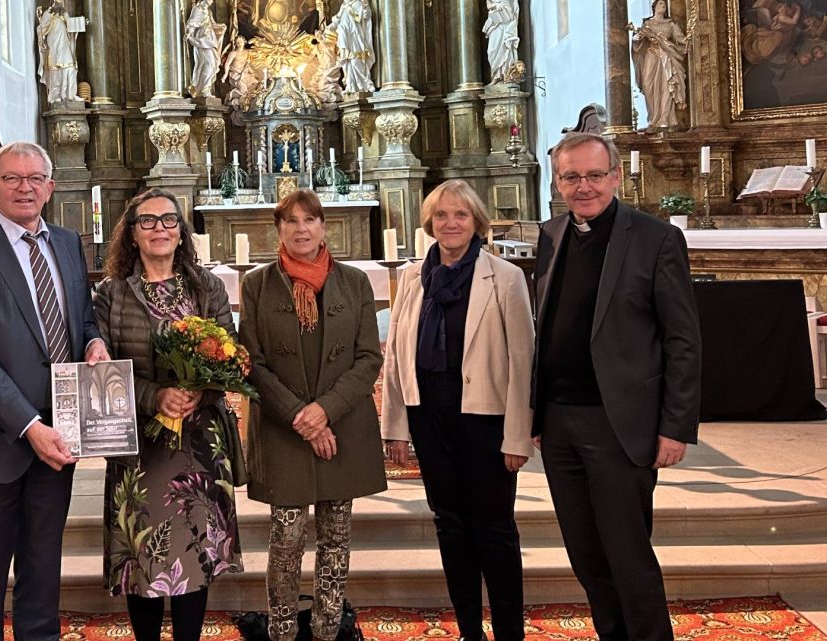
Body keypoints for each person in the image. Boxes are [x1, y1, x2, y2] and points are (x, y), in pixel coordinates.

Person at [534, 132, 701, 641]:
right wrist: (536, 416)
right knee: (586, 556)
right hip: (559, 423)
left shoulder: (654, 238)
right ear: (557, 182)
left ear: (615, 177)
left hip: (618, 423)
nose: (583, 187)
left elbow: (683, 340)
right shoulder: (552, 234)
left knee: (628, 557)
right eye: (571, 177)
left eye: (593, 175)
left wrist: (675, 428)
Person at [0, 141, 110, 641]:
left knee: (42, 573)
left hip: (59, 434)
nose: (25, 187)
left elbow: (81, 317)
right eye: (12, 178)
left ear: (51, 188)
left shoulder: (66, 243)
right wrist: (29, 426)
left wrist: (95, 340)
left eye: (35, 178)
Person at [380, 180, 534, 641]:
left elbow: (523, 362)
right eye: (442, 216)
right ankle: (469, 630)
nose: (450, 223)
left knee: (495, 530)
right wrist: (396, 427)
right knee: (450, 525)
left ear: (476, 223)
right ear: (430, 223)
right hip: (429, 417)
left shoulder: (504, 277)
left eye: (460, 215)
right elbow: (396, 357)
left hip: (485, 421)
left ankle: (509, 632)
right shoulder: (412, 277)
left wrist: (517, 436)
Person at [93, 188, 244, 641]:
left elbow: (232, 356)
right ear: (132, 234)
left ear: (181, 231)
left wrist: (202, 388)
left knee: (193, 554)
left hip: (198, 444)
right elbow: (99, 372)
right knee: (144, 558)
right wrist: (155, 397)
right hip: (140, 444)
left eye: (168, 220)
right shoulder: (111, 293)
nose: (159, 229)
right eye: (148, 221)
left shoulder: (206, 285)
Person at [239, 189, 386, 641]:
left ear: (324, 226)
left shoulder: (355, 283)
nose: (301, 229)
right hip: (285, 430)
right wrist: (301, 417)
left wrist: (323, 412)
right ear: (278, 229)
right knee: (286, 539)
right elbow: (253, 361)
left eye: (310, 220)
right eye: (291, 221)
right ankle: (282, 630)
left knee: (336, 536)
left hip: (342, 428)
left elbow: (368, 359)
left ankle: (326, 630)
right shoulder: (257, 285)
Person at [629, 0, 688, 130]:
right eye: (660, 4)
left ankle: (665, 119)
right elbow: (637, 40)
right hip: (651, 57)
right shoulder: (647, 23)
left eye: (664, 5)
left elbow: (680, 38)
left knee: (666, 86)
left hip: (666, 58)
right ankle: (653, 118)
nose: (663, 6)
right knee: (649, 86)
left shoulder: (671, 24)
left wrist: (689, 40)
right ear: (654, 7)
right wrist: (636, 38)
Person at [37, 0, 84, 103]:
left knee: (71, 68)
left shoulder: (64, 14)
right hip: (53, 45)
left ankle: (71, 94)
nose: (61, 2)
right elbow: (41, 29)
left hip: (64, 44)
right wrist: (42, 41)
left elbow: (71, 26)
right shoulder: (48, 13)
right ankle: (55, 95)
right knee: (55, 70)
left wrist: (81, 24)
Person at [327, 0, 376, 94]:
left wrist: (364, 8)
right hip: (344, 38)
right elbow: (337, 20)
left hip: (355, 37)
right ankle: (350, 85)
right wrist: (329, 28)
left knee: (356, 60)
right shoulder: (344, 5)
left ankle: (364, 83)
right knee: (346, 62)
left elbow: (362, 17)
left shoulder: (357, 3)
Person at [186, 0, 226, 98]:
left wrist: (221, 27)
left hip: (209, 40)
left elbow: (212, 24)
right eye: (210, 1)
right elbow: (192, 23)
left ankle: (206, 88)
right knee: (208, 64)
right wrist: (189, 34)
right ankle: (203, 89)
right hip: (201, 40)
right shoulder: (197, 9)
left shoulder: (208, 10)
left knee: (212, 64)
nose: (211, 2)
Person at [483, 0, 521, 84]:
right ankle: (495, 76)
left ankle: (507, 76)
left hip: (507, 25)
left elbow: (515, 8)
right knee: (491, 50)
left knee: (506, 47)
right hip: (495, 24)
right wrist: (495, 5)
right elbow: (488, 5)